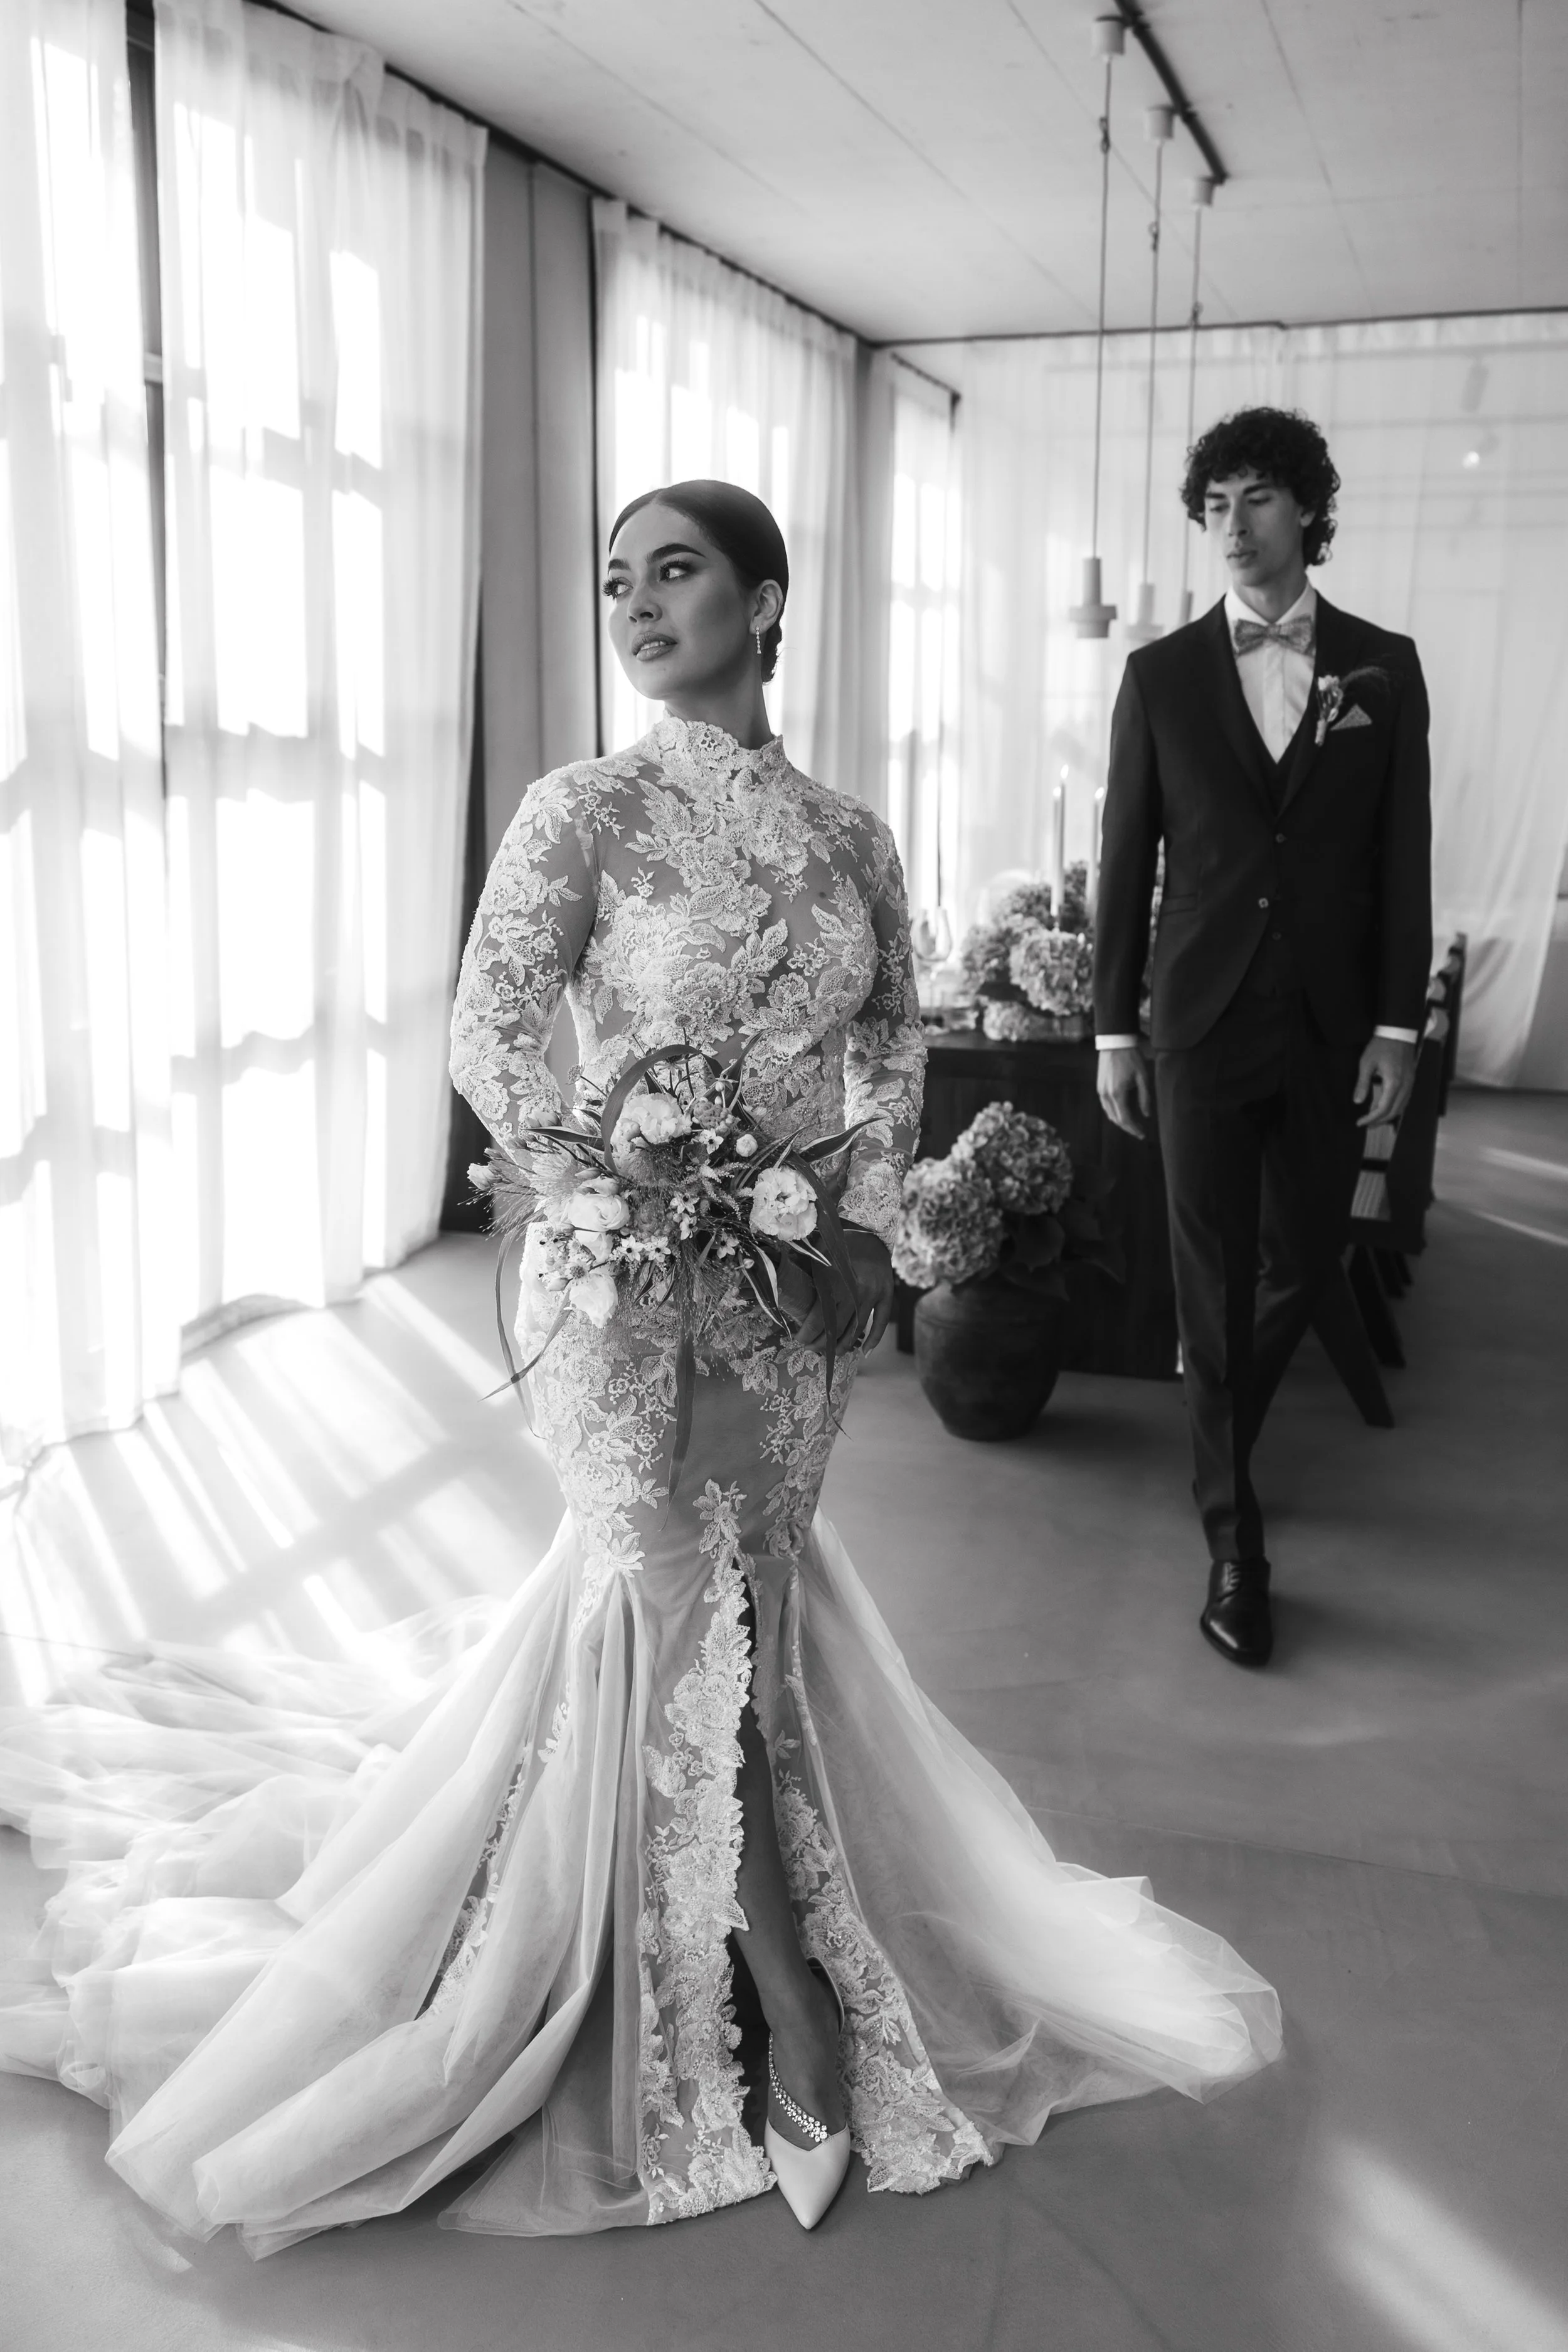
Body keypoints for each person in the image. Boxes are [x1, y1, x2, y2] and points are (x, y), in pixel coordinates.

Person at [0, 481, 1279, 2252]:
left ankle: (729, 1928)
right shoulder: (579, 812)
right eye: (615, 578)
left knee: (743, 1589)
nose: (633, 600)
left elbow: (889, 1032)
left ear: (766, 600)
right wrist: (618, 1185)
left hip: (793, 1303)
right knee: (677, 1584)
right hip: (624, 1290)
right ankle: (793, 2010)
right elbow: (491, 1032)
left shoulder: (849, 838)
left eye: (671, 569)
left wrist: (857, 1219)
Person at [1094, 408, 1433, 1670]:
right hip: (1190, 1024)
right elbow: (1121, 862)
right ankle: (1233, 1543)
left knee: (1300, 1255)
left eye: (1255, 501)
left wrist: (1399, 1022)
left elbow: (1403, 859)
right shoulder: (1157, 675)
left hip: (1331, 1024)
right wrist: (1108, 1029)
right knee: (1203, 1272)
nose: (1231, 528)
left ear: (1305, 512)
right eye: (1213, 506)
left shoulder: (1381, 669)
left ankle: (1217, 1392)